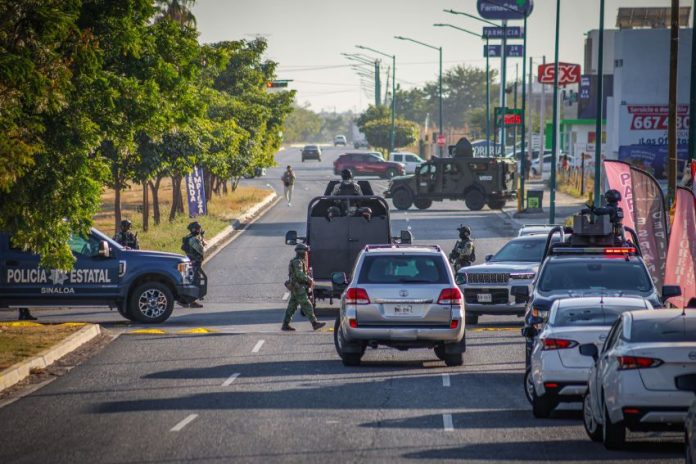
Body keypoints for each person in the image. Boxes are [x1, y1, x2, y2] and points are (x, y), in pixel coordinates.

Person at [282, 243, 326, 331]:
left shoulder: (298, 261)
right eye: (305, 251)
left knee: (292, 306)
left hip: (296, 287)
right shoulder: (297, 261)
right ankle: (314, 323)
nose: (306, 253)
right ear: (301, 252)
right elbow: (299, 274)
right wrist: (309, 279)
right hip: (298, 287)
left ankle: (285, 325)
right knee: (307, 304)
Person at [181, 221, 207, 308]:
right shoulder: (194, 239)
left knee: (188, 280)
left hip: (189, 261)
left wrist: (201, 238)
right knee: (195, 281)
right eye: (198, 229)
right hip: (195, 262)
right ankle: (192, 301)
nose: (199, 230)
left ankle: (185, 301)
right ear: (194, 229)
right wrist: (201, 240)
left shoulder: (188, 237)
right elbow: (201, 250)